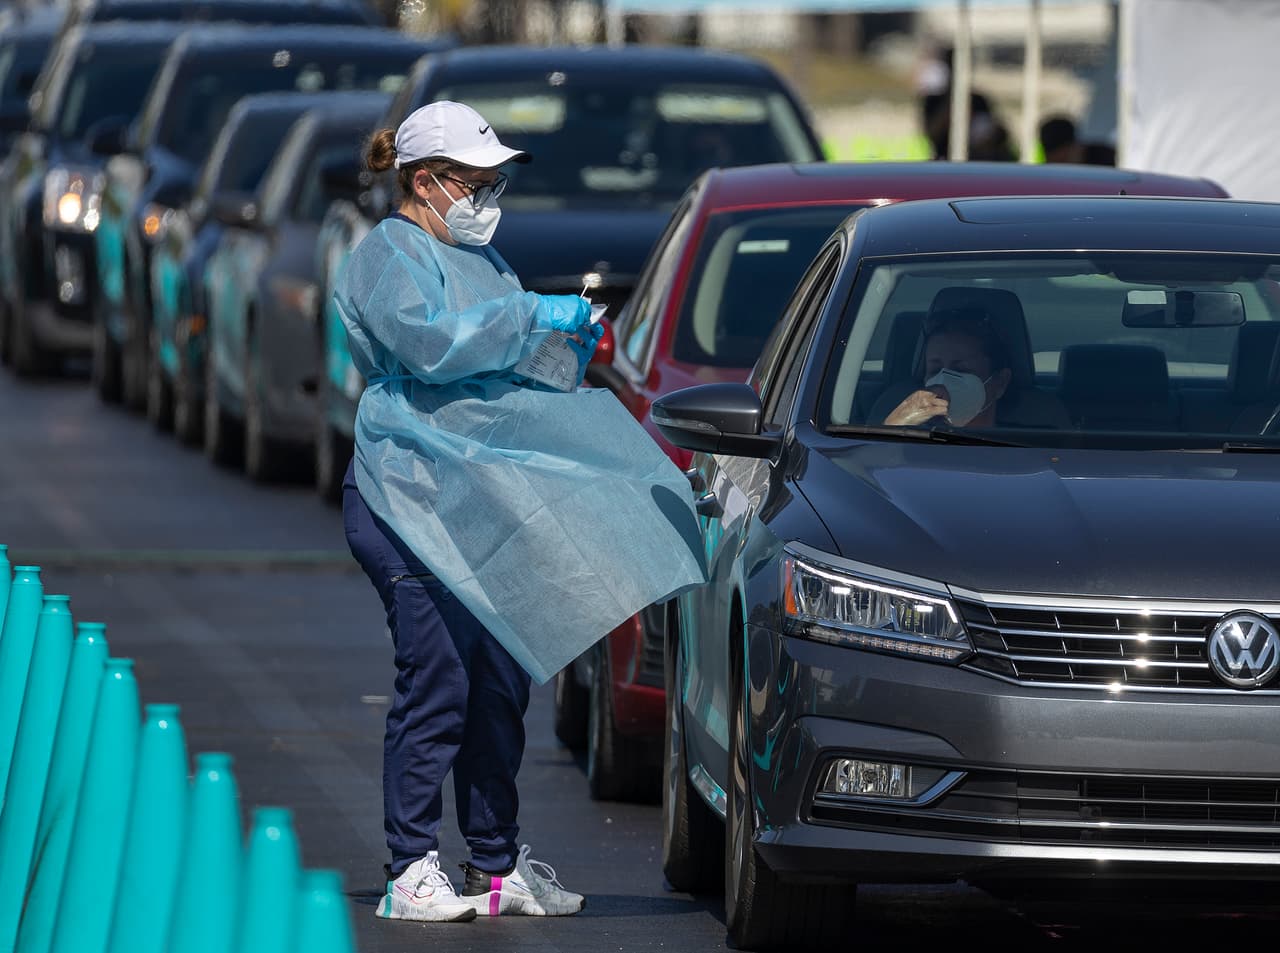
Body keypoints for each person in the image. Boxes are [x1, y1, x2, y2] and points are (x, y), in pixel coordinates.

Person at [334, 101, 705, 924]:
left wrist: (567, 343)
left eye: (495, 182)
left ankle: (495, 866)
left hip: (470, 496)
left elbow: (508, 365)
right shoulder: (386, 257)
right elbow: (436, 344)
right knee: (439, 679)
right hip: (405, 495)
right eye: (476, 182)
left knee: (500, 680)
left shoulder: (485, 262)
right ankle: (410, 867)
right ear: (425, 182)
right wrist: (537, 315)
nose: (489, 197)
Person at [882, 307, 1013, 428]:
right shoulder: (910, 445)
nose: (943, 382)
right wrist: (896, 426)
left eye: (960, 370)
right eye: (935, 370)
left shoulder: (1023, 449)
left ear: (1000, 383)